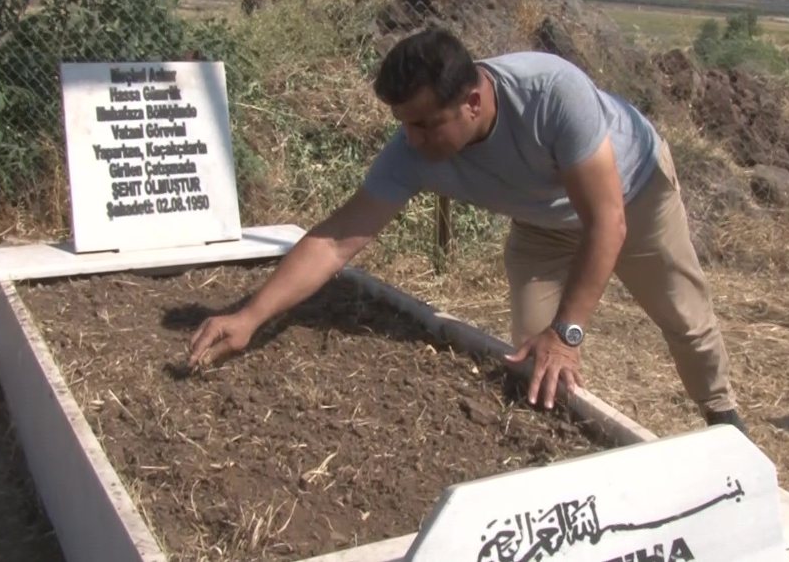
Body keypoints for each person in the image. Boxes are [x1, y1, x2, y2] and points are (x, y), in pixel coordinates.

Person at [188, 26, 745, 433]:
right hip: (541, 222)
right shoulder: (414, 147)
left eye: (426, 124)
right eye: (403, 125)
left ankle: (724, 423)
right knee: (532, 359)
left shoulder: (552, 92)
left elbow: (607, 222)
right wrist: (250, 317)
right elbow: (337, 239)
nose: (414, 140)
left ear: (473, 102)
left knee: (684, 319)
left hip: (631, 193)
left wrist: (569, 331)